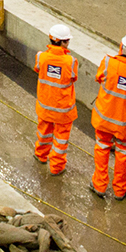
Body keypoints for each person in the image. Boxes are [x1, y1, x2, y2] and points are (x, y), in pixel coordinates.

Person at [89, 32, 126, 200]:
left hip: (105, 120)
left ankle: (99, 186)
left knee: (102, 151)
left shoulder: (108, 62)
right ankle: (120, 190)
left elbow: (99, 77)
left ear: (121, 47)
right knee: (124, 156)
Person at [33, 23, 78, 175]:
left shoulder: (41, 57)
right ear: (64, 42)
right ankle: (56, 167)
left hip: (45, 106)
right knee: (60, 141)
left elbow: (38, 69)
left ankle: (41, 155)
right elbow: (73, 77)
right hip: (63, 111)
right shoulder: (70, 62)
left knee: (44, 133)